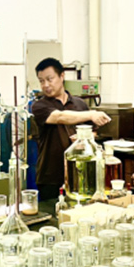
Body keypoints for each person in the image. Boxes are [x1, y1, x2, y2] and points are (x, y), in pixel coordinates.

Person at [32, 57, 111, 200]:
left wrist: (85, 139)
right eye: (41, 81)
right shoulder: (39, 106)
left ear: (62, 76)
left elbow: (93, 132)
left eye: (50, 79)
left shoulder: (79, 104)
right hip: (51, 176)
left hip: (80, 174)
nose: (46, 85)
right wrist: (92, 114)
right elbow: (59, 117)